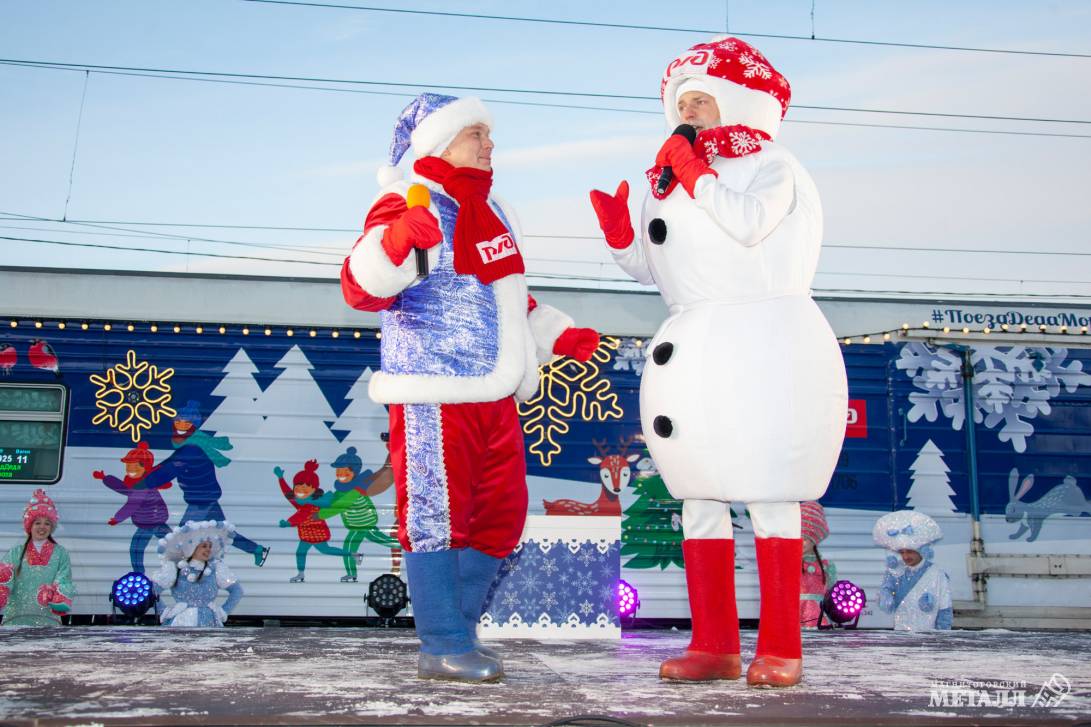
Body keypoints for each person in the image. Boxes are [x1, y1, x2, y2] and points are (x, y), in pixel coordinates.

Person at [589, 37, 847, 687]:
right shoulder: (670, 176)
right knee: (698, 496)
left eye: (702, 99)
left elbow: (749, 224)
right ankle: (714, 644)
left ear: (736, 101)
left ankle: (781, 645)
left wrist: (696, 174)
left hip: (763, 344)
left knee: (769, 492)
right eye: (682, 102)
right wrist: (622, 232)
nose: (692, 112)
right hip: (693, 348)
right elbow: (660, 269)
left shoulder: (772, 163)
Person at [341, 92, 600, 682]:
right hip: (434, 390)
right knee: (436, 517)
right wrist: (397, 239)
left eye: (489, 134)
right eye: (474, 134)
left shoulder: (493, 211)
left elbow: (508, 299)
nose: (489, 144)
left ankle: (454, 630)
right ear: (436, 143)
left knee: (502, 516)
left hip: (497, 392)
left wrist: (559, 334)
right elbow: (362, 286)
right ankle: (443, 641)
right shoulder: (407, 201)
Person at [134, 401, 270, 566]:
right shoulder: (191, 446)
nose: (181, 425)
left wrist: (145, 483)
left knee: (181, 537)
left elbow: (168, 469)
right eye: (178, 421)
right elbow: (169, 464)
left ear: (194, 425)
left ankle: (183, 573)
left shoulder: (191, 449)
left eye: (186, 422)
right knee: (224, 533)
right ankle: (257, 550)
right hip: (206, 496)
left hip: (201, 500)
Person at [320, 446, 399, 583]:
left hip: (364, 525)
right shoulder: (341, 489)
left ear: (354, 473)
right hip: (357, 526)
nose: (340, 474)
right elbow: (333, 500)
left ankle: (411, 547)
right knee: (384, 542)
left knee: (351, 547)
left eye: (345, 471)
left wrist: (319, 516)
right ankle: (352, 573)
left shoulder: (356, 489)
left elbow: (339, 506)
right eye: (338, 471)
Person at [274, 460, 359, 583]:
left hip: (316, 535)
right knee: (301, 552)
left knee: (325, 550)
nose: (299, 490)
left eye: (304, 487)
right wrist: (281, 478)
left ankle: (353, 555)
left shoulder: (310, 504)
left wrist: (288, 523)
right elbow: (287, 493)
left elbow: (300, 517)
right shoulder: (300, 502)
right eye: (297, 487)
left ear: (314, 489)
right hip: (306, 535)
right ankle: (301, 574)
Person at [94, 441, 173, 573]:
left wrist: (117, 518)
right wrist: (105, 478)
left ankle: (139, 573)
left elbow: (132, 505)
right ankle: (142, 572)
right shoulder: (138, 483)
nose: (130, 470)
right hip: (150, 521)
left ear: (144, 468)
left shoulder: (142, 486)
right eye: (128, 466)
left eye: (134, 467)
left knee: (137, 549)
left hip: (151, 522)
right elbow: (124, 489)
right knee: (171, 544)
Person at [0, 489, 75, 626]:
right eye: (37, 523)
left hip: (49, 621)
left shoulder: (61, 553)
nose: (42, 527)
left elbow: (64, 580)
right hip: (15, 621)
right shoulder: (15, 553)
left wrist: (58, 595)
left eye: (47, 523)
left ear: (52, 527)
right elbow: (4, 581)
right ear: (30, 526)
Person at [151, 520, 243, 627]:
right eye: (204, 546)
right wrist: (163, 611)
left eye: (210, 546)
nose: (208, 549)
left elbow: (237, 591)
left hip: (209, 621)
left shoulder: (216, 568)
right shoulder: (176, 568)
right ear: (191, 547)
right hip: (181, 621)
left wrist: (223, 611)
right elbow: (153, 591)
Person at [873, 510, 953, 631]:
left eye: (910, 551)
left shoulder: (937, 574)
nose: (905, 557)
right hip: (901, 634)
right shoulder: (896, 572)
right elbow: (887, 593)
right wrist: (885, 596)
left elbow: (945, 607)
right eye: (902, 552)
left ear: (921, 549)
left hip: (929, 636)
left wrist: (942, 634)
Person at [799, 501, 837, 629]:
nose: (800, 543)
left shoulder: (827, 565)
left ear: (814, 538)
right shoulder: (788, 563)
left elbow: (832, 593)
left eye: (804, 538)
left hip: (819, 617)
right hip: (793, 615)